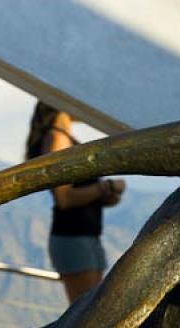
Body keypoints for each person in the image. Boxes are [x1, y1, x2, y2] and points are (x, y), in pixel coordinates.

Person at [25, 101, 125, 303]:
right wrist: (104, 188)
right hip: (74, 238)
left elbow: (78, 194)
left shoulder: (64, 139)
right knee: (87, 315)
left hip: (85, 237)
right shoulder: (57, 139)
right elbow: (64, 198)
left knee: (93, 311)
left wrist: (106, 194)